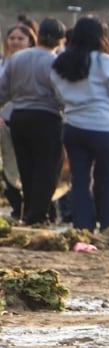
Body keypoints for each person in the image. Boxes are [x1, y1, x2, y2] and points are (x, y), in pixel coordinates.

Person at [49, 17, 109, 232]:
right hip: (104, 128)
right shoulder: (106, 62)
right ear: (100, 37)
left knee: (80, 180)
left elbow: (59, 96)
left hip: (73, 127)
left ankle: (83, 227)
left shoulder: (60, 63)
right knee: (108, 179)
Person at [0, 19, 63, 225]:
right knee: (47, 168)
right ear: (60, 40)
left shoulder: (17, 58)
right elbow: (61, 93)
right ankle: (38, 214)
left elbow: (3, 90)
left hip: (19, 117)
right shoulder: (55, 61)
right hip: (46, 117)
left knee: (26, 167)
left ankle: (28, 213)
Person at [1, 23, 37, 218]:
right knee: (9, 166)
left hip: (26, 119)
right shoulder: (2, 64)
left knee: (29, 164)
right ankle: (17, 206)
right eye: (12, 38)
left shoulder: (35, 63)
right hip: (5, 122)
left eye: (20, 38)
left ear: (30, 41)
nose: (15, 42)